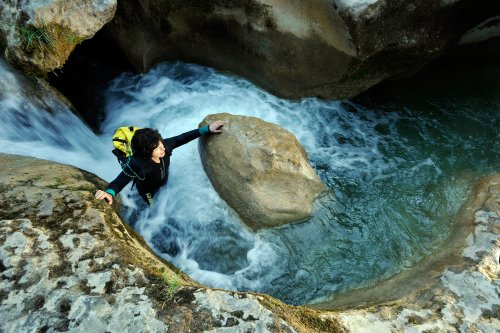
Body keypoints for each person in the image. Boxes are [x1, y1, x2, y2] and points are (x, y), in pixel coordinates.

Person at [95, 120, 226, 206]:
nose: (163, 148)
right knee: (152, 204)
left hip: (162, 177)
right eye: (157, 148)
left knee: (163, 182)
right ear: (147, 152)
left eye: (160, 143)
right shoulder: (137, 164)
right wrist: (109, 193)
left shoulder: (165, 146)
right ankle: (122, 156)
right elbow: (119, 182)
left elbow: (183, 137)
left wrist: (208, 129)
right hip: (147, 190)